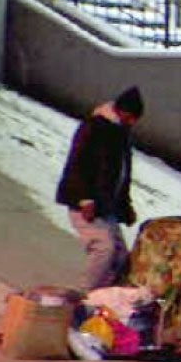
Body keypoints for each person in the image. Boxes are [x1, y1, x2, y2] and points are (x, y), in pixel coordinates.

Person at [55, 86, 144, 290]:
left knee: (120, 255)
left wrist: (125, 207)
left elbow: (120, 176)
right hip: (86, 203)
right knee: (104, 248)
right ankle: (87, 295)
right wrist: (84, 199)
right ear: (121, 111)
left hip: (106, 206)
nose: (132, 123)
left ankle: (105, 294)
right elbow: (78, 163)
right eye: (130, 117)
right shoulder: (95, 128)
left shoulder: (120, 133)